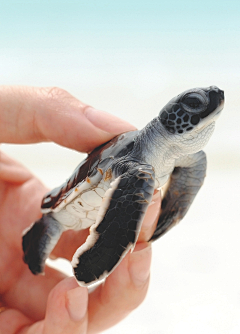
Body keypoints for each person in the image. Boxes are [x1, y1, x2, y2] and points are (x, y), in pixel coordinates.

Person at [0, 86, 161, 334]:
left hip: (88, 201)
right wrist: (97, 259)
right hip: (70, 201)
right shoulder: (138, 167)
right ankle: (42, 237)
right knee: (53, 225)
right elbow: (121, 215)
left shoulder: (185, 156)